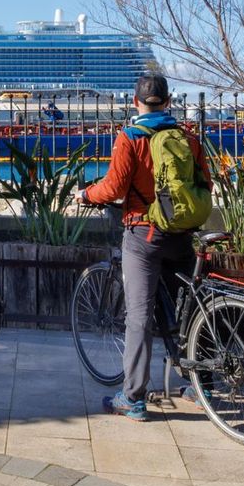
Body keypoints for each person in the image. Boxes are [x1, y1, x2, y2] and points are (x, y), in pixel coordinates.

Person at [73, 74, 211, 420]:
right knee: (190, 309)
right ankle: (202, 384)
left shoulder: (130, 137)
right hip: (181, 232)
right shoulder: (187, 138)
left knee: (138, 316)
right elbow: (205, 184)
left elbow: (114, 188)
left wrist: (86, 194)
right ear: (168, 102)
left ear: (135, 102)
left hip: (143, 235)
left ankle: (133, 396)